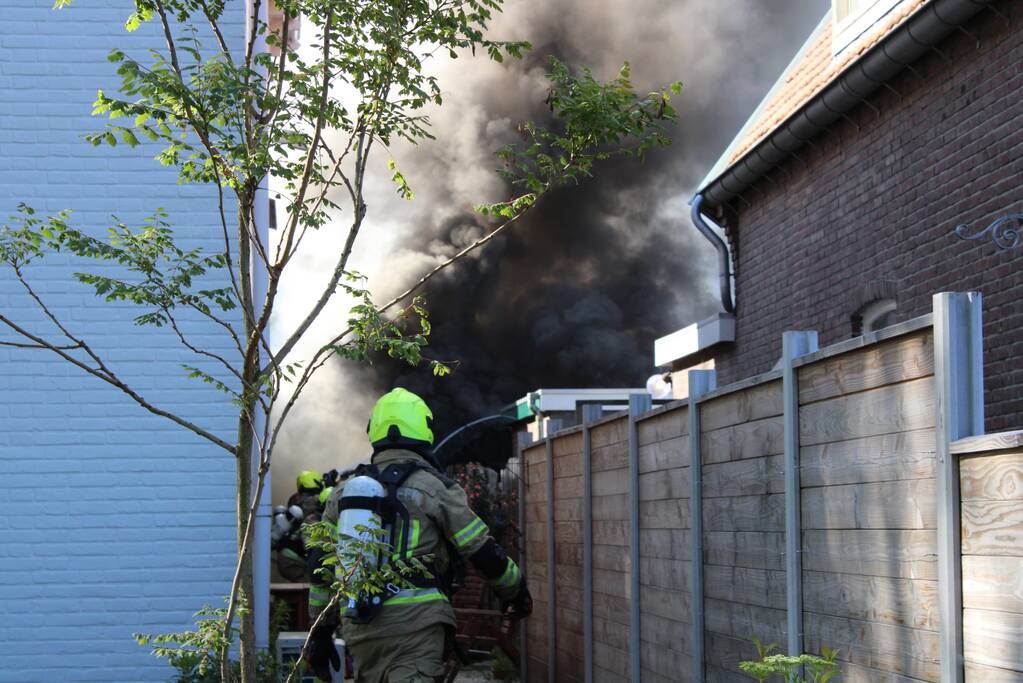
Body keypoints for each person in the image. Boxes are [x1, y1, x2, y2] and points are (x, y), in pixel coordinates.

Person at [305, 387, 532, 682]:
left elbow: (320, 566)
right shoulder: (435, 487)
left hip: (361, 629)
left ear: (374, 429)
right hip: (417, 628)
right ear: (423, 429)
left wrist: (319, 633)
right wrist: (516, 591)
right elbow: (481, 550)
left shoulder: (343, 493)